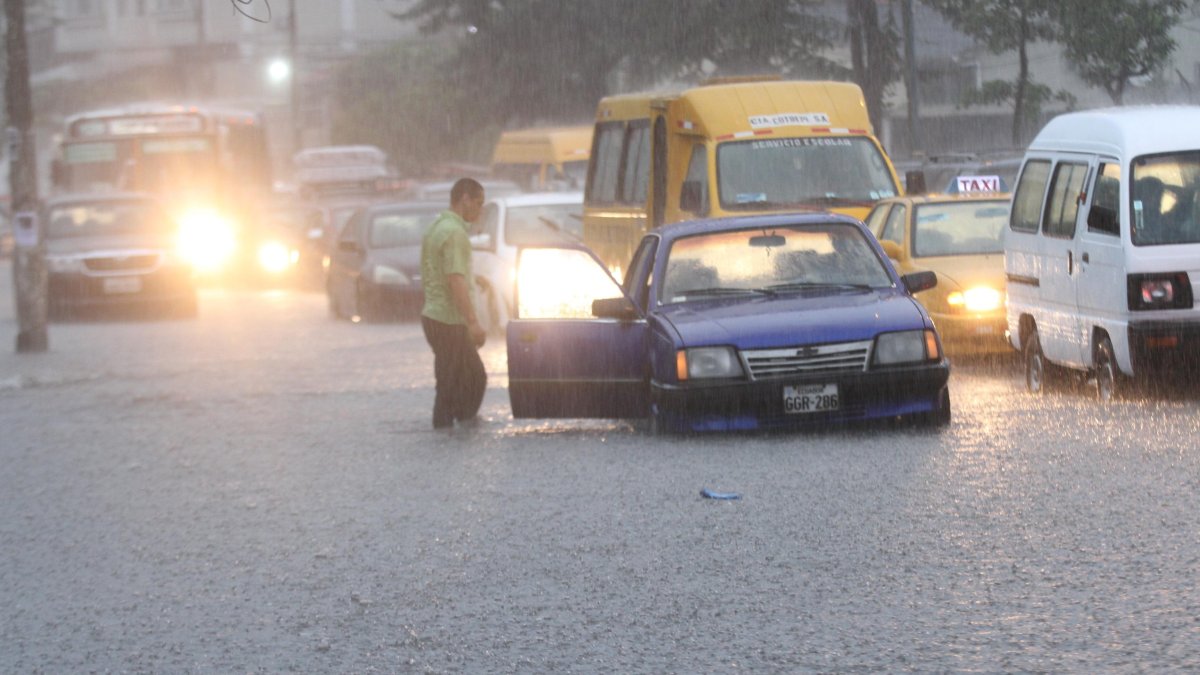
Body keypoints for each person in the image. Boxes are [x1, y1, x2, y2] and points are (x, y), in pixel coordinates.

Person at [420, 178, 488, 429]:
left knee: (453, 380)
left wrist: (474, 279)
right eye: (478, 203)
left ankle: (452, 426)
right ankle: (455, 428)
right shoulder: (455, 233)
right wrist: (473, 322)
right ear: (465, 199)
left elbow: (440, 271)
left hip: (433, 318)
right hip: (449, 321)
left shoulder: (436, 227)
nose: (480, 210)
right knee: (473, 379)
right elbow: (454, 279)